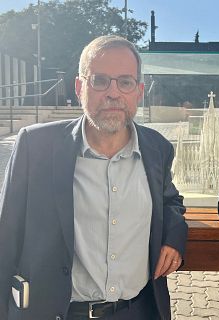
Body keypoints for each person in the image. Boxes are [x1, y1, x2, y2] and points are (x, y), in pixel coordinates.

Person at [0, 35, 188, 320]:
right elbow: (7, 235)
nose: (113, 93)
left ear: (138, 91)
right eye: (100, 80)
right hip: (58, 312)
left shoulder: (157, 148)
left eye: (125, 82)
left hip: (137, 310)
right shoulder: (35, 146)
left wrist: (174, 237)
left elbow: (170, 199)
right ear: (79, 87)